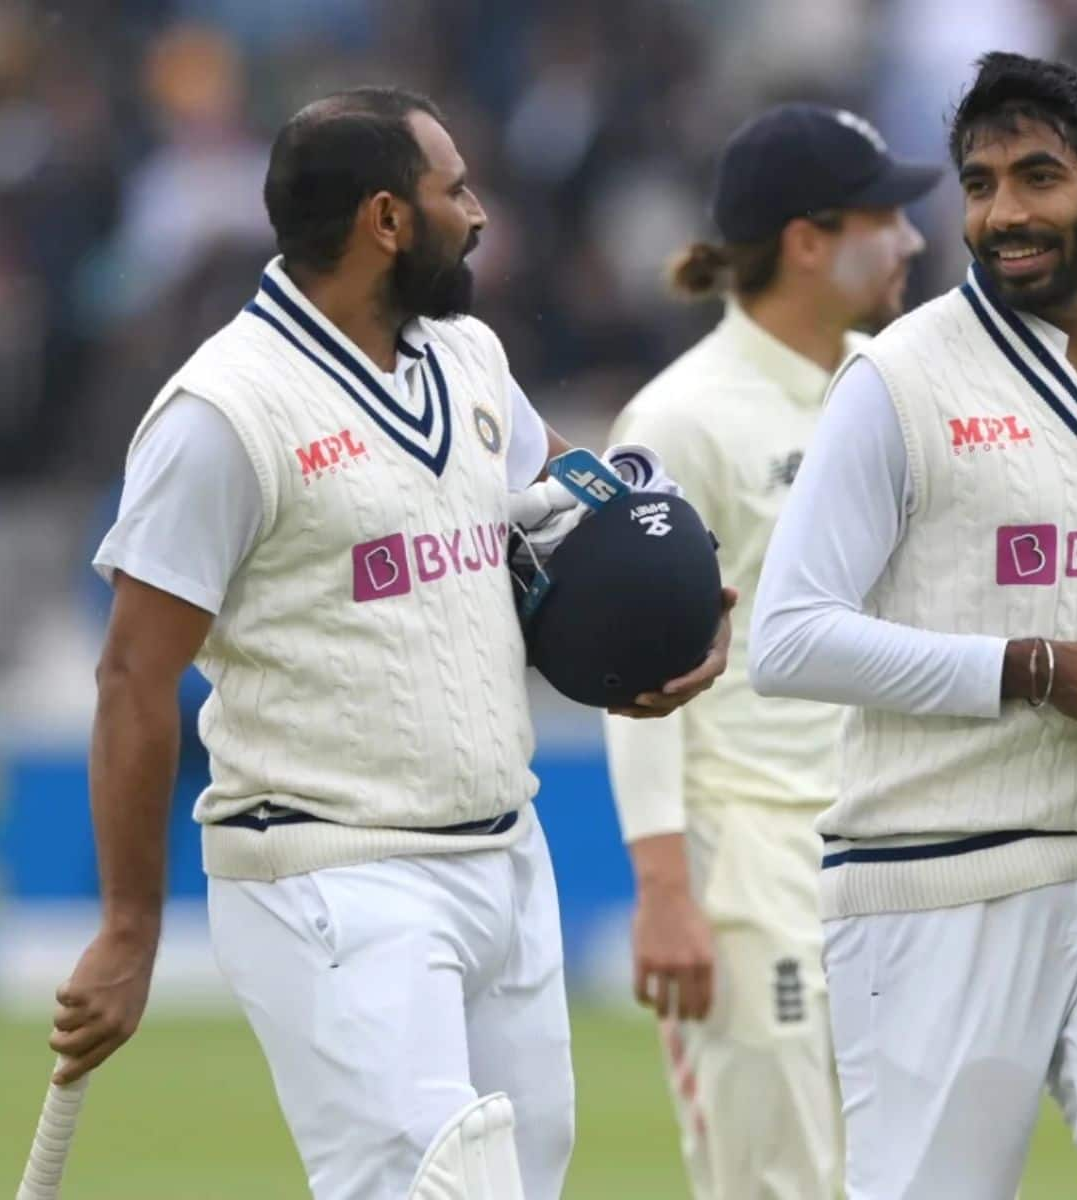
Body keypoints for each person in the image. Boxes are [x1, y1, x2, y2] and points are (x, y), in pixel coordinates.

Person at [45, 86, 732, 1200]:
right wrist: (129, 928)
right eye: (455, 190)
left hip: (506, 853)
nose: (482, 213)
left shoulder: (465, 358)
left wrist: (673, 595)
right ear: (385, 220)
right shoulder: (221, 412)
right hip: (330, 871)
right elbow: (132, 676)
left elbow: (569, 497)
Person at [749, 53, 1077, 1199]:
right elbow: (790, 638)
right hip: (938, 876)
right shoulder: (896, 380)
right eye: (981, 182)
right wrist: (1046, 671)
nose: (1004, 214)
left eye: (1039, 177)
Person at [603, 103, 935, 1198]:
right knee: (776, 1181)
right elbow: (631, 669)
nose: (915, 241)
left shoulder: (892, 390)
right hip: (744, 859)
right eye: (887, 216)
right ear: (809, 240)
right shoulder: (682, 418)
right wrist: (664, 891)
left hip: (886, 845)